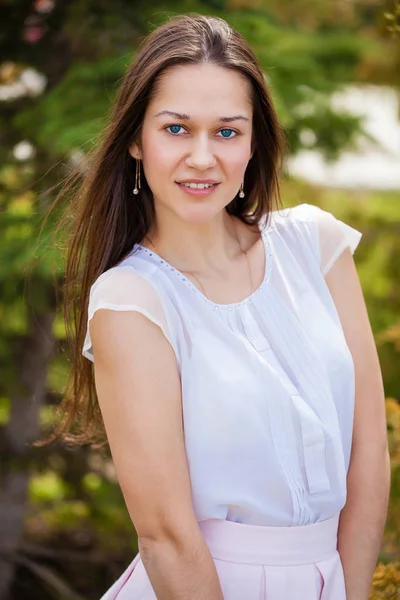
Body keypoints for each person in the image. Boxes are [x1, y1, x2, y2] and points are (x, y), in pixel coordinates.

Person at [56, 13, 390, 600]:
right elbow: (165, 536)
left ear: (255, 139)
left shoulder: (317, 246)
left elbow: (369, 459)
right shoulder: (131, 302)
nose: (204, 157)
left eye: (228, 132)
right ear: (137, 138)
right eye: (177, 129)